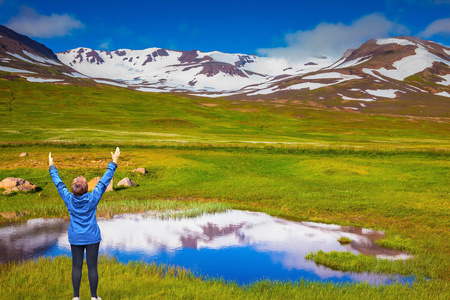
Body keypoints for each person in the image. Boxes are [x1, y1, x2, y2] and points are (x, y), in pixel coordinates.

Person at [49, 147, 120, 300]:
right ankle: (94, 297)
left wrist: (51, 166)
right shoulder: (93, 197)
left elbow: (58, 183)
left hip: (75, 237)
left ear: (74, 188)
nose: (78, 178)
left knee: (76, 266)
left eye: (77, 179)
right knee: (92, 266)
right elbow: (104, 181)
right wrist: (114, 161)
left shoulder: (68, 198)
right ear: (86, 188)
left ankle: (76, 297)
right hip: (92, 237)